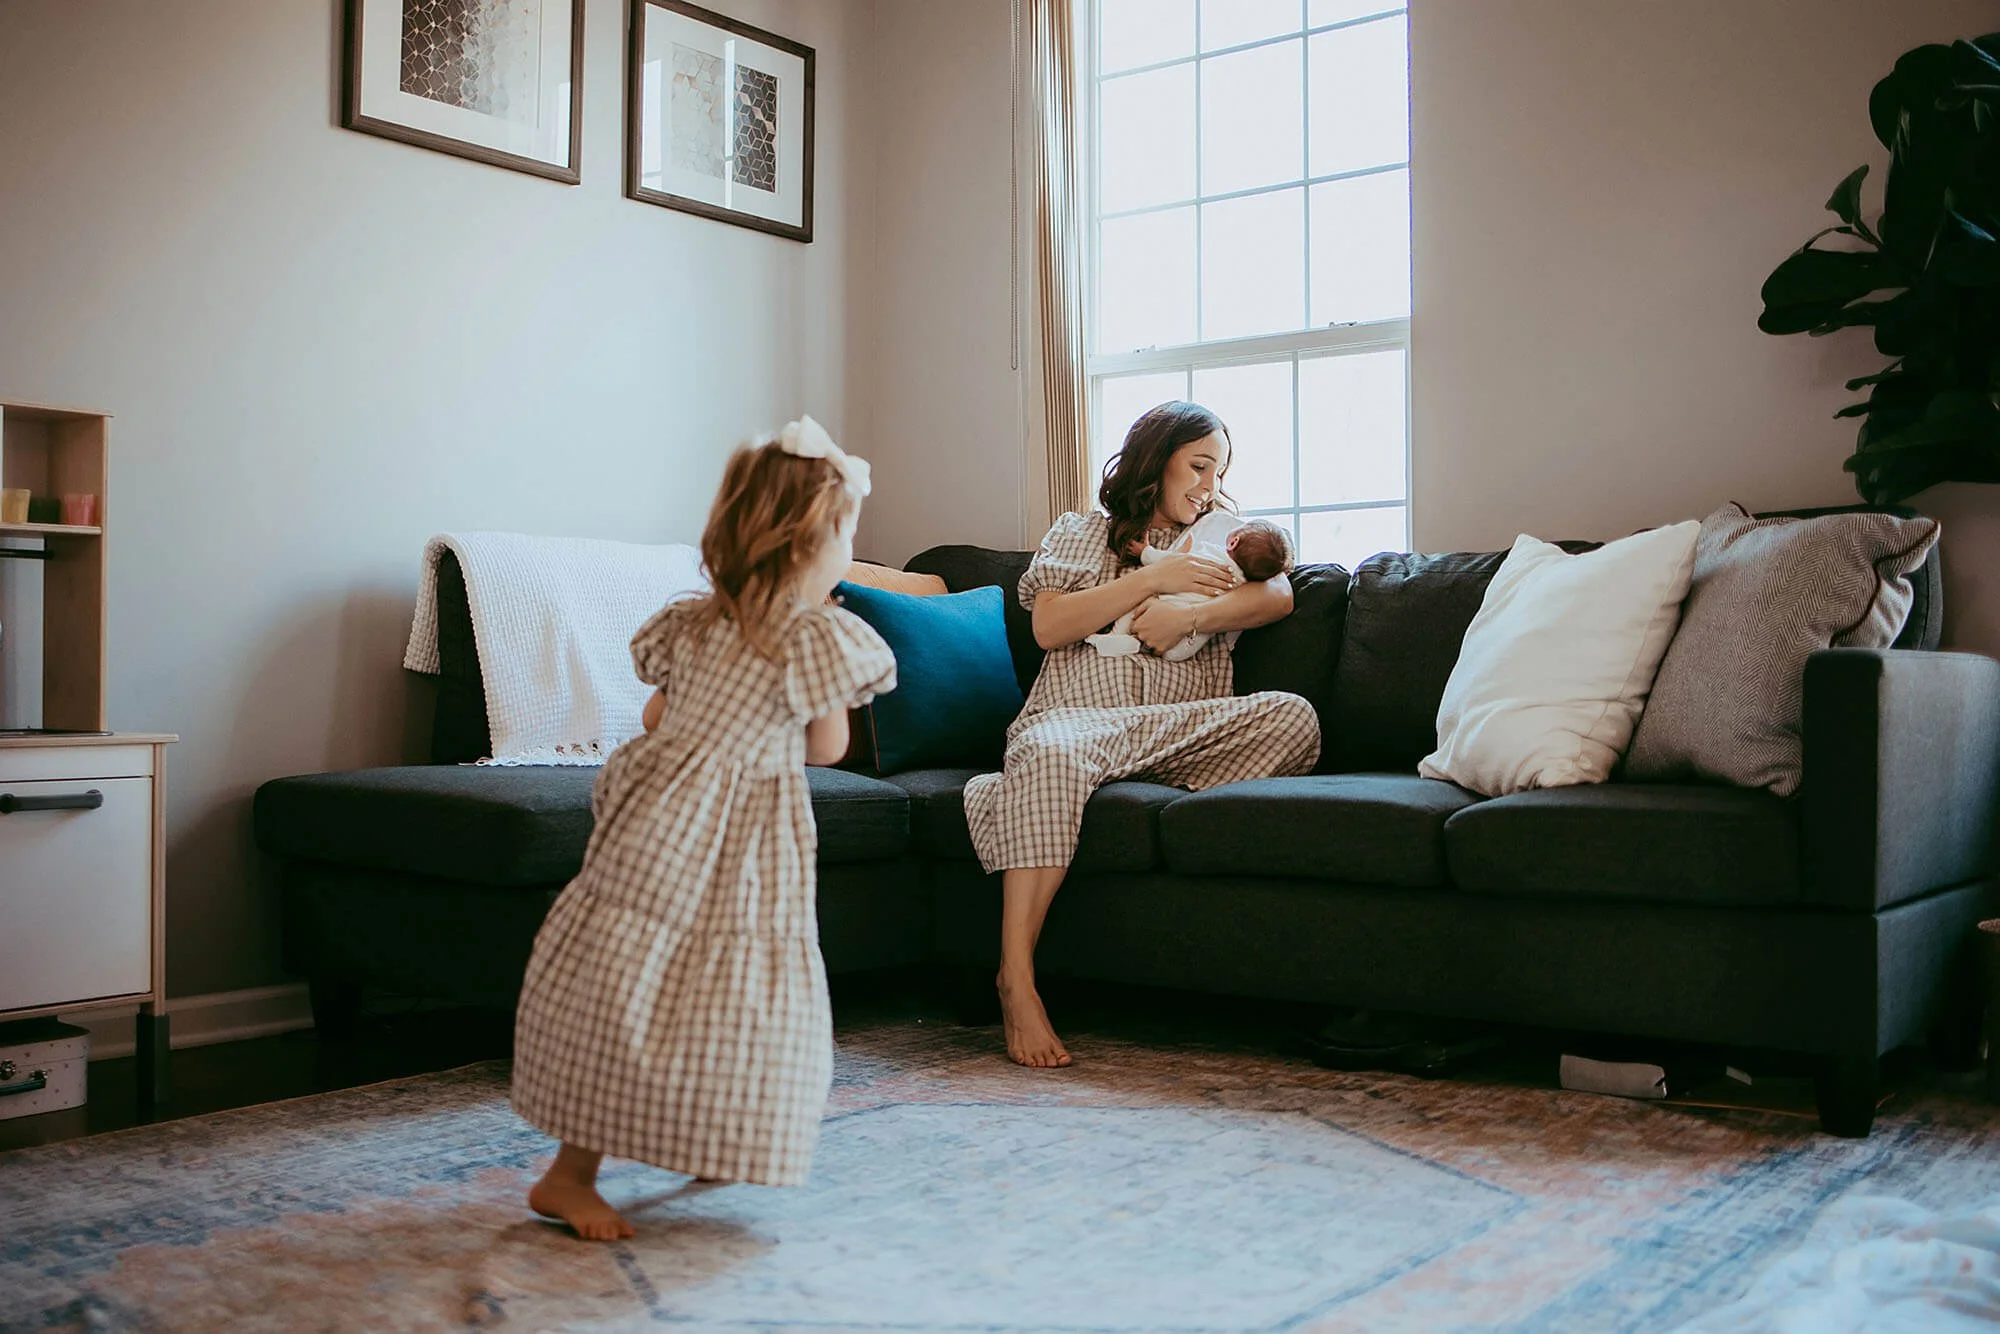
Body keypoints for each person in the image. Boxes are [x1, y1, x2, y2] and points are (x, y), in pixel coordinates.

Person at [511, 416, 896, 1240]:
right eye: (847, 533)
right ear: (809, 543)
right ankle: (567, 1176)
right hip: (740, 830)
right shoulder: (811, 634)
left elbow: (655, 716)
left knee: (640, 970)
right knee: (727, 983)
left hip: (657, 816)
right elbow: (827, 746)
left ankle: (676, 1139)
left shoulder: (692, 622)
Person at [962, 401, 1322, 1068]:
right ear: (1156, 460)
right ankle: (1016, 977)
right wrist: (1153, 579)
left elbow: (1277, 598)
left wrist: (1192, 618)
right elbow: (1048, 628)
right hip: (1076, 722)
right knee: (1049, 749)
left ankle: (1049, 790)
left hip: (1171, 736)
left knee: (1293, 715)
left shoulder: (1226, 543)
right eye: (1199, 466)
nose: (1209, 485)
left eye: (1218, 472)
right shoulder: (1081, 533)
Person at [1087, 515, 1294, 662]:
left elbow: (1169, 562)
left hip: (1161, 607)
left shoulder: (1208, 555)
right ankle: (1136, 645)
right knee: (1197, 637)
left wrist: (1145, 552)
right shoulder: (1242, 586)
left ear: (1233, 541)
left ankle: (1118, 637)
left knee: (1136, 604)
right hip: (1185, 648)